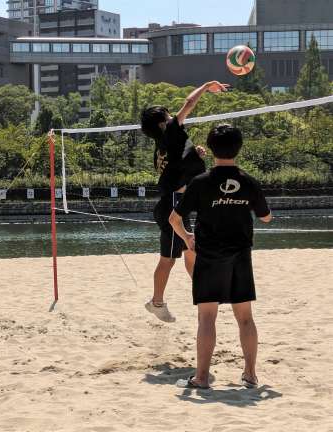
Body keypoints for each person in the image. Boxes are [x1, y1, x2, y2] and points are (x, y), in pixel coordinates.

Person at [169, 124, 272, 389]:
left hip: (208, 255)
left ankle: (202, 378)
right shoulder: (248, 181)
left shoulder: (200, 182)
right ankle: (250, 375)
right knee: (245, 318)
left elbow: (174, 219)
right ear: (239, 147)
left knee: (207, 318)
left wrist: (187, 239)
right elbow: (266, 217)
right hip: (240, 255)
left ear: (211, 148)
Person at [141, 81, 229, 323]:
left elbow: (177, 167)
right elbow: (189, 103)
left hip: (178, 204)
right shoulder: (170, 132)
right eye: (169, 116)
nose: (173, 117)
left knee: (191, 250)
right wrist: (207, 85)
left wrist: (194, 154)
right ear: (163, 123)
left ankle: (204, 290)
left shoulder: (164, 144)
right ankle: (156, 302)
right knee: (168, 259)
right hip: (172, 206)